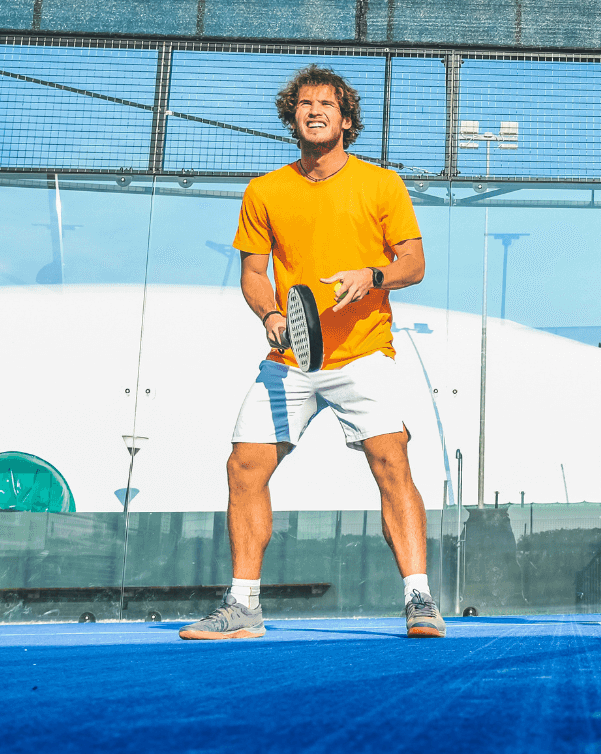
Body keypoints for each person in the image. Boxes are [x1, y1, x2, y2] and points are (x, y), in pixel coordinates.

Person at [180, 66, 444, 639]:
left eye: (327, 103)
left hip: (363, 355)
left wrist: (372, 275)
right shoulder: (265, 191)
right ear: (292, 116)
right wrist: (272, 314)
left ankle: (419, 600)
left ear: (346, 119)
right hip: (290, 360)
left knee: (391, 464)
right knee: (244, 467)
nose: (314, 110)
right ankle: (243, 607)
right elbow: (253, 275)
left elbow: (413, 265)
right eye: (304, 103)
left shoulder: (381, 185)